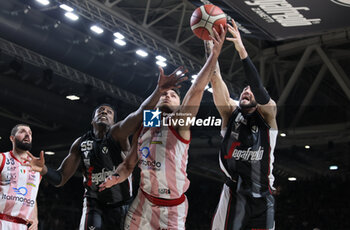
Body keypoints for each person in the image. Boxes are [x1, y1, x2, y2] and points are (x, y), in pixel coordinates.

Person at [23, 68, 187, 230]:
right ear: (92, 119)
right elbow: (61, 178)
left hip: (122, 203)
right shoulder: (80, 143)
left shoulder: (117, 133)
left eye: (109, 112)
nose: (104, 112)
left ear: (114, 120)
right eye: (101, 111)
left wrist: (159, 91)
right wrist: (43, 169)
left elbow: (140, 114)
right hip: (94, 202)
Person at [99, 24, 227, 230]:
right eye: (165, 94)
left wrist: (213, 55)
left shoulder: (180, 122)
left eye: (174, 95)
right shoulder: (145, 124)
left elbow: (196, 89)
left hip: (173, 209)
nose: (168, 95)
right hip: (143, 202)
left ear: (179, 105)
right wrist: (115, 178)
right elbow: (129, 165)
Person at [208, 19, 278, 230]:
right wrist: (211, 47)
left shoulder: (268, 114)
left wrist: (241, 49)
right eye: (244, 89)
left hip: (263, 196)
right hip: (234, 193)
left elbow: (258, 87)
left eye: (251, 89)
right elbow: (215, 79)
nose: (247, 90)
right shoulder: (230, 113)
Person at [0, 124, 41, 230]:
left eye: (30, 133)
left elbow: (33, 195)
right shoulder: (2, 158)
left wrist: (35, 218)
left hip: (22, 225)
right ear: (12, 138)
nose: (27, 134)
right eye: (22, 131)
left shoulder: (37, 166)